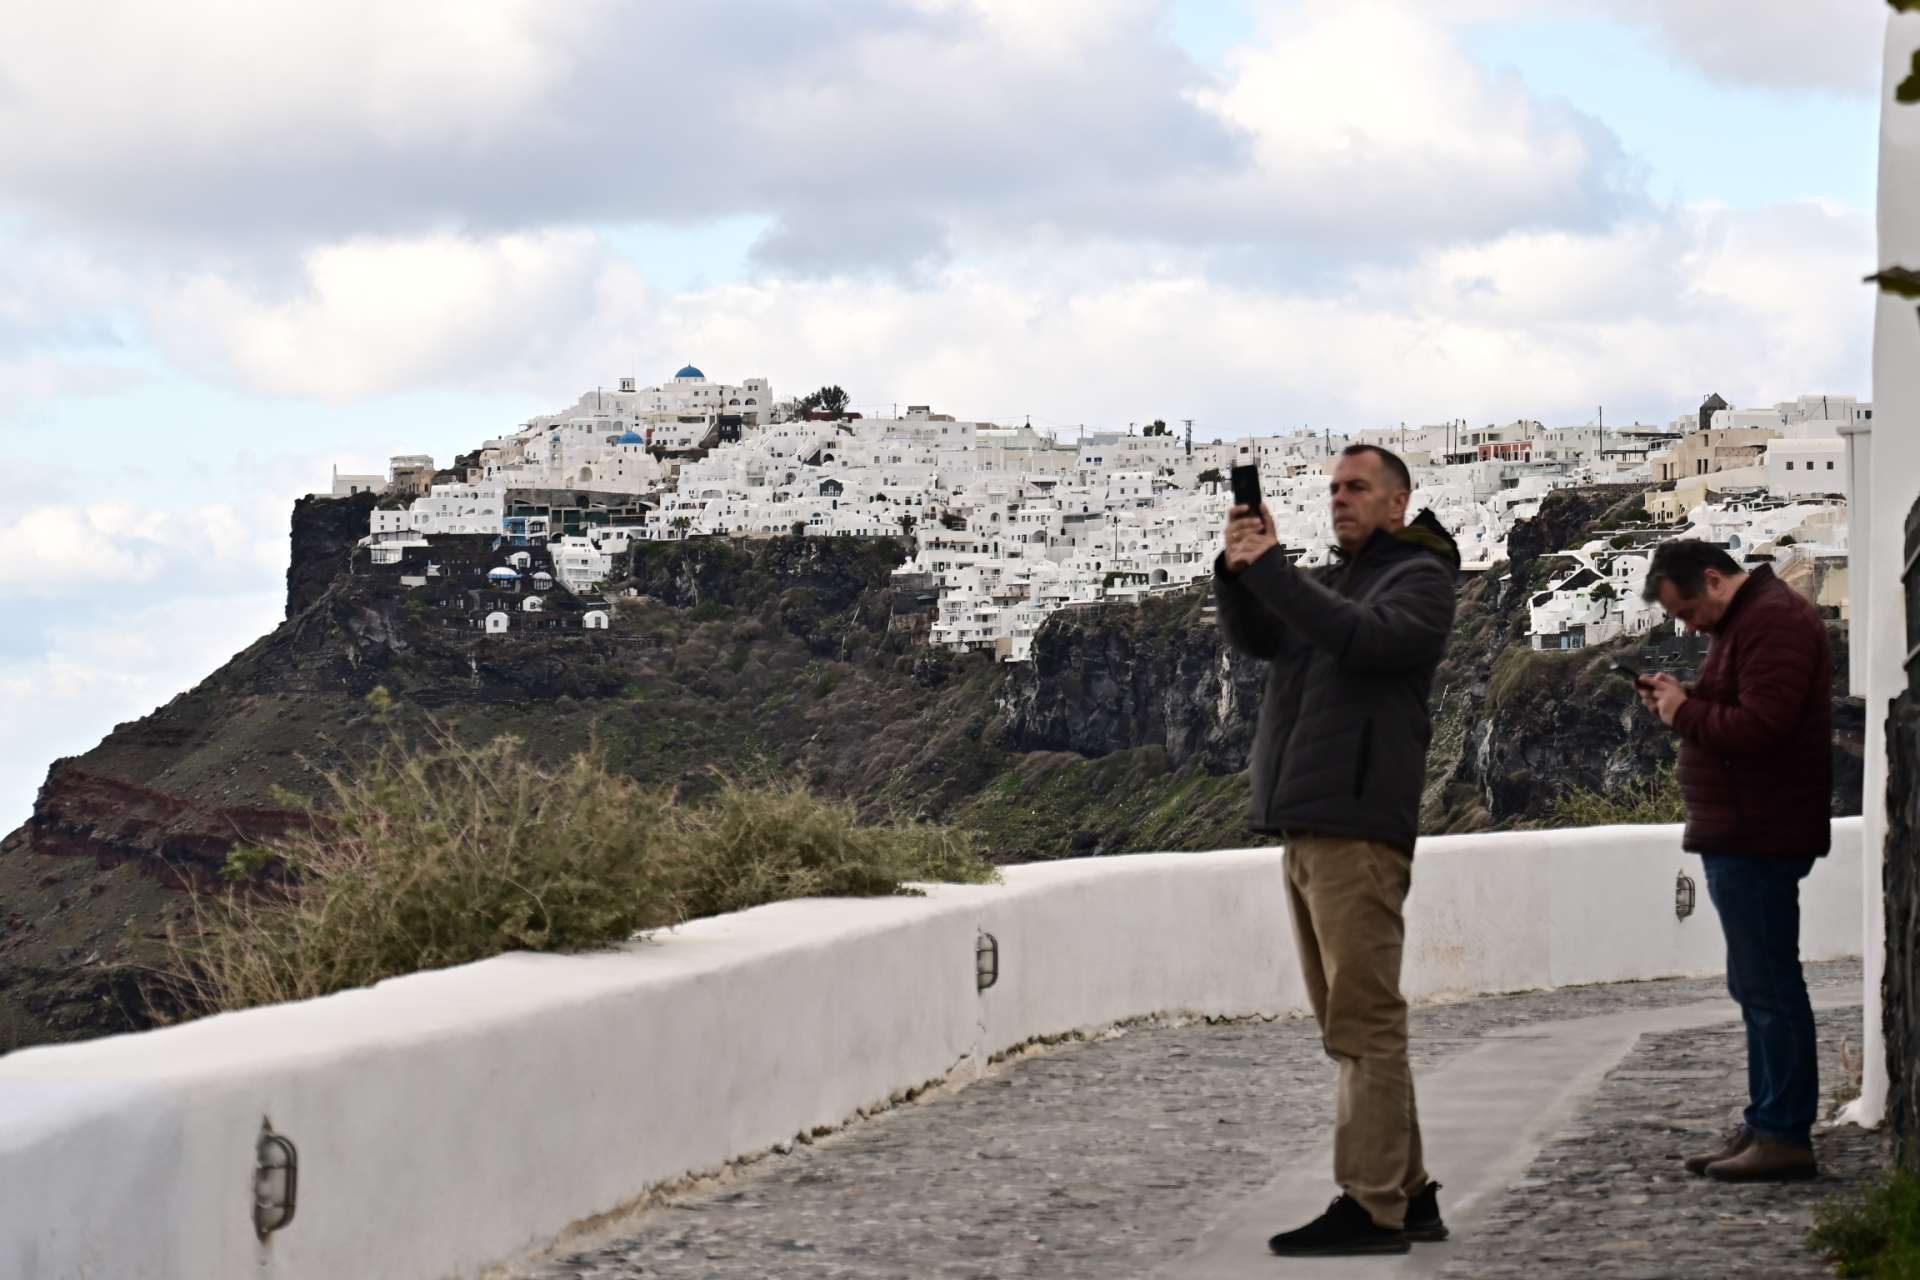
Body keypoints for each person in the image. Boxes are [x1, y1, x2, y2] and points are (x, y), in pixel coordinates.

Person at [1214, 444, 1460, 1258]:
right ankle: (1410, 1195)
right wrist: (1238, 571)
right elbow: (1264, 638)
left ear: (1398, 503)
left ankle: (1370, 1205)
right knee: (1350, 1023)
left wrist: (1276, 570)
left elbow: (1365, 642)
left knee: (1365, 1025)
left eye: (1357, 488)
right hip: (1311, 823)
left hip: (1357, 829)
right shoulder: (1338, 582)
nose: (1340, 499)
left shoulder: (1419, 579)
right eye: (1333, 489)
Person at [1637, 539, 1832, 1182]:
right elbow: (1745, 706)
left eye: (1688, 610)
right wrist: (1686, 698)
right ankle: (1766, 1120)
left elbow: (1763, 727)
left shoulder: (1773, 621)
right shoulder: (1751, 620)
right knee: (1756, 984)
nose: (1690, 626)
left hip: (1760, 831)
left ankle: (1783, 1132)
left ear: (1714, 579)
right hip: (1745, 830)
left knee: (1769, 985)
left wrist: (1684, 711)